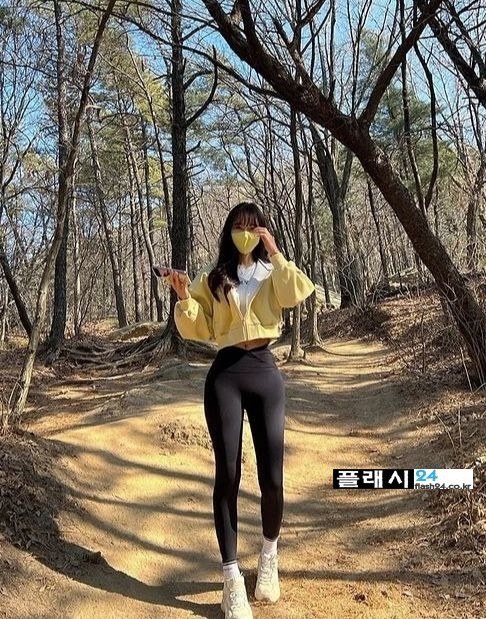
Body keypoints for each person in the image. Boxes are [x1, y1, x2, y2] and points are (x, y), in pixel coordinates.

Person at [169, 202, 315, 619]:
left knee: (272, 477)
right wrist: (184, 297)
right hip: (226, 375)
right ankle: (231, 579)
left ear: (263, 231)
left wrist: (276, 251)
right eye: (238, 226)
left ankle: (269, 555)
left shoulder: (273, 272)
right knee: (228, 475)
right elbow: (197, 327)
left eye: (253, 227)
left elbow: (296, 292)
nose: (245, 233)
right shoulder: (214, 277)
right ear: (228, 232)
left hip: (265, 372)